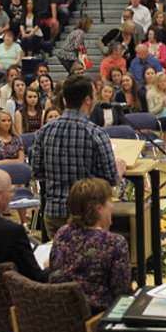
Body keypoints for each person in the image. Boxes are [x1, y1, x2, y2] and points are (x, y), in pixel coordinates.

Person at [31, 76, 126, 238]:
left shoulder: (45, 131)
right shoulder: (96, 133)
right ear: (88, 100)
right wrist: (120, 169)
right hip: (89, 217)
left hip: (55, 214)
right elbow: (110, 180)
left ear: (65, 100)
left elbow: (37, 172)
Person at [48, 178, 132, 313]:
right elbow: (122, 294)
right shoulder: (115, 242)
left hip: (59, 315)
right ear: (99, 208)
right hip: (96, 320)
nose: (112, 206)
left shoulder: (62, 234)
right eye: (110, 201)